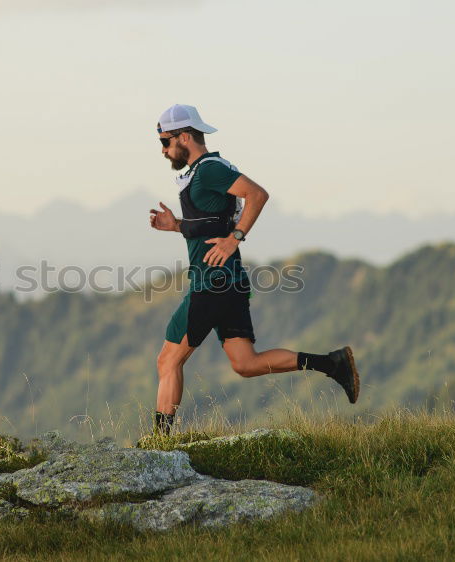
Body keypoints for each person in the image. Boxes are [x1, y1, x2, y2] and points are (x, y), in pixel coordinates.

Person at [147, 103, 360, 435]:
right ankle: (332, 364)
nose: (162, 150)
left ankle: (159, 447)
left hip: (211, 283)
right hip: (230, 282)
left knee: (168, 361)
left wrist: (235, 239)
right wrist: (177, 226)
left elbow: (257, 195)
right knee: (246, 364)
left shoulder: (209, 169)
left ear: (184, 136)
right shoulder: (206, 171)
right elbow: (214, 221)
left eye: (164, 142)